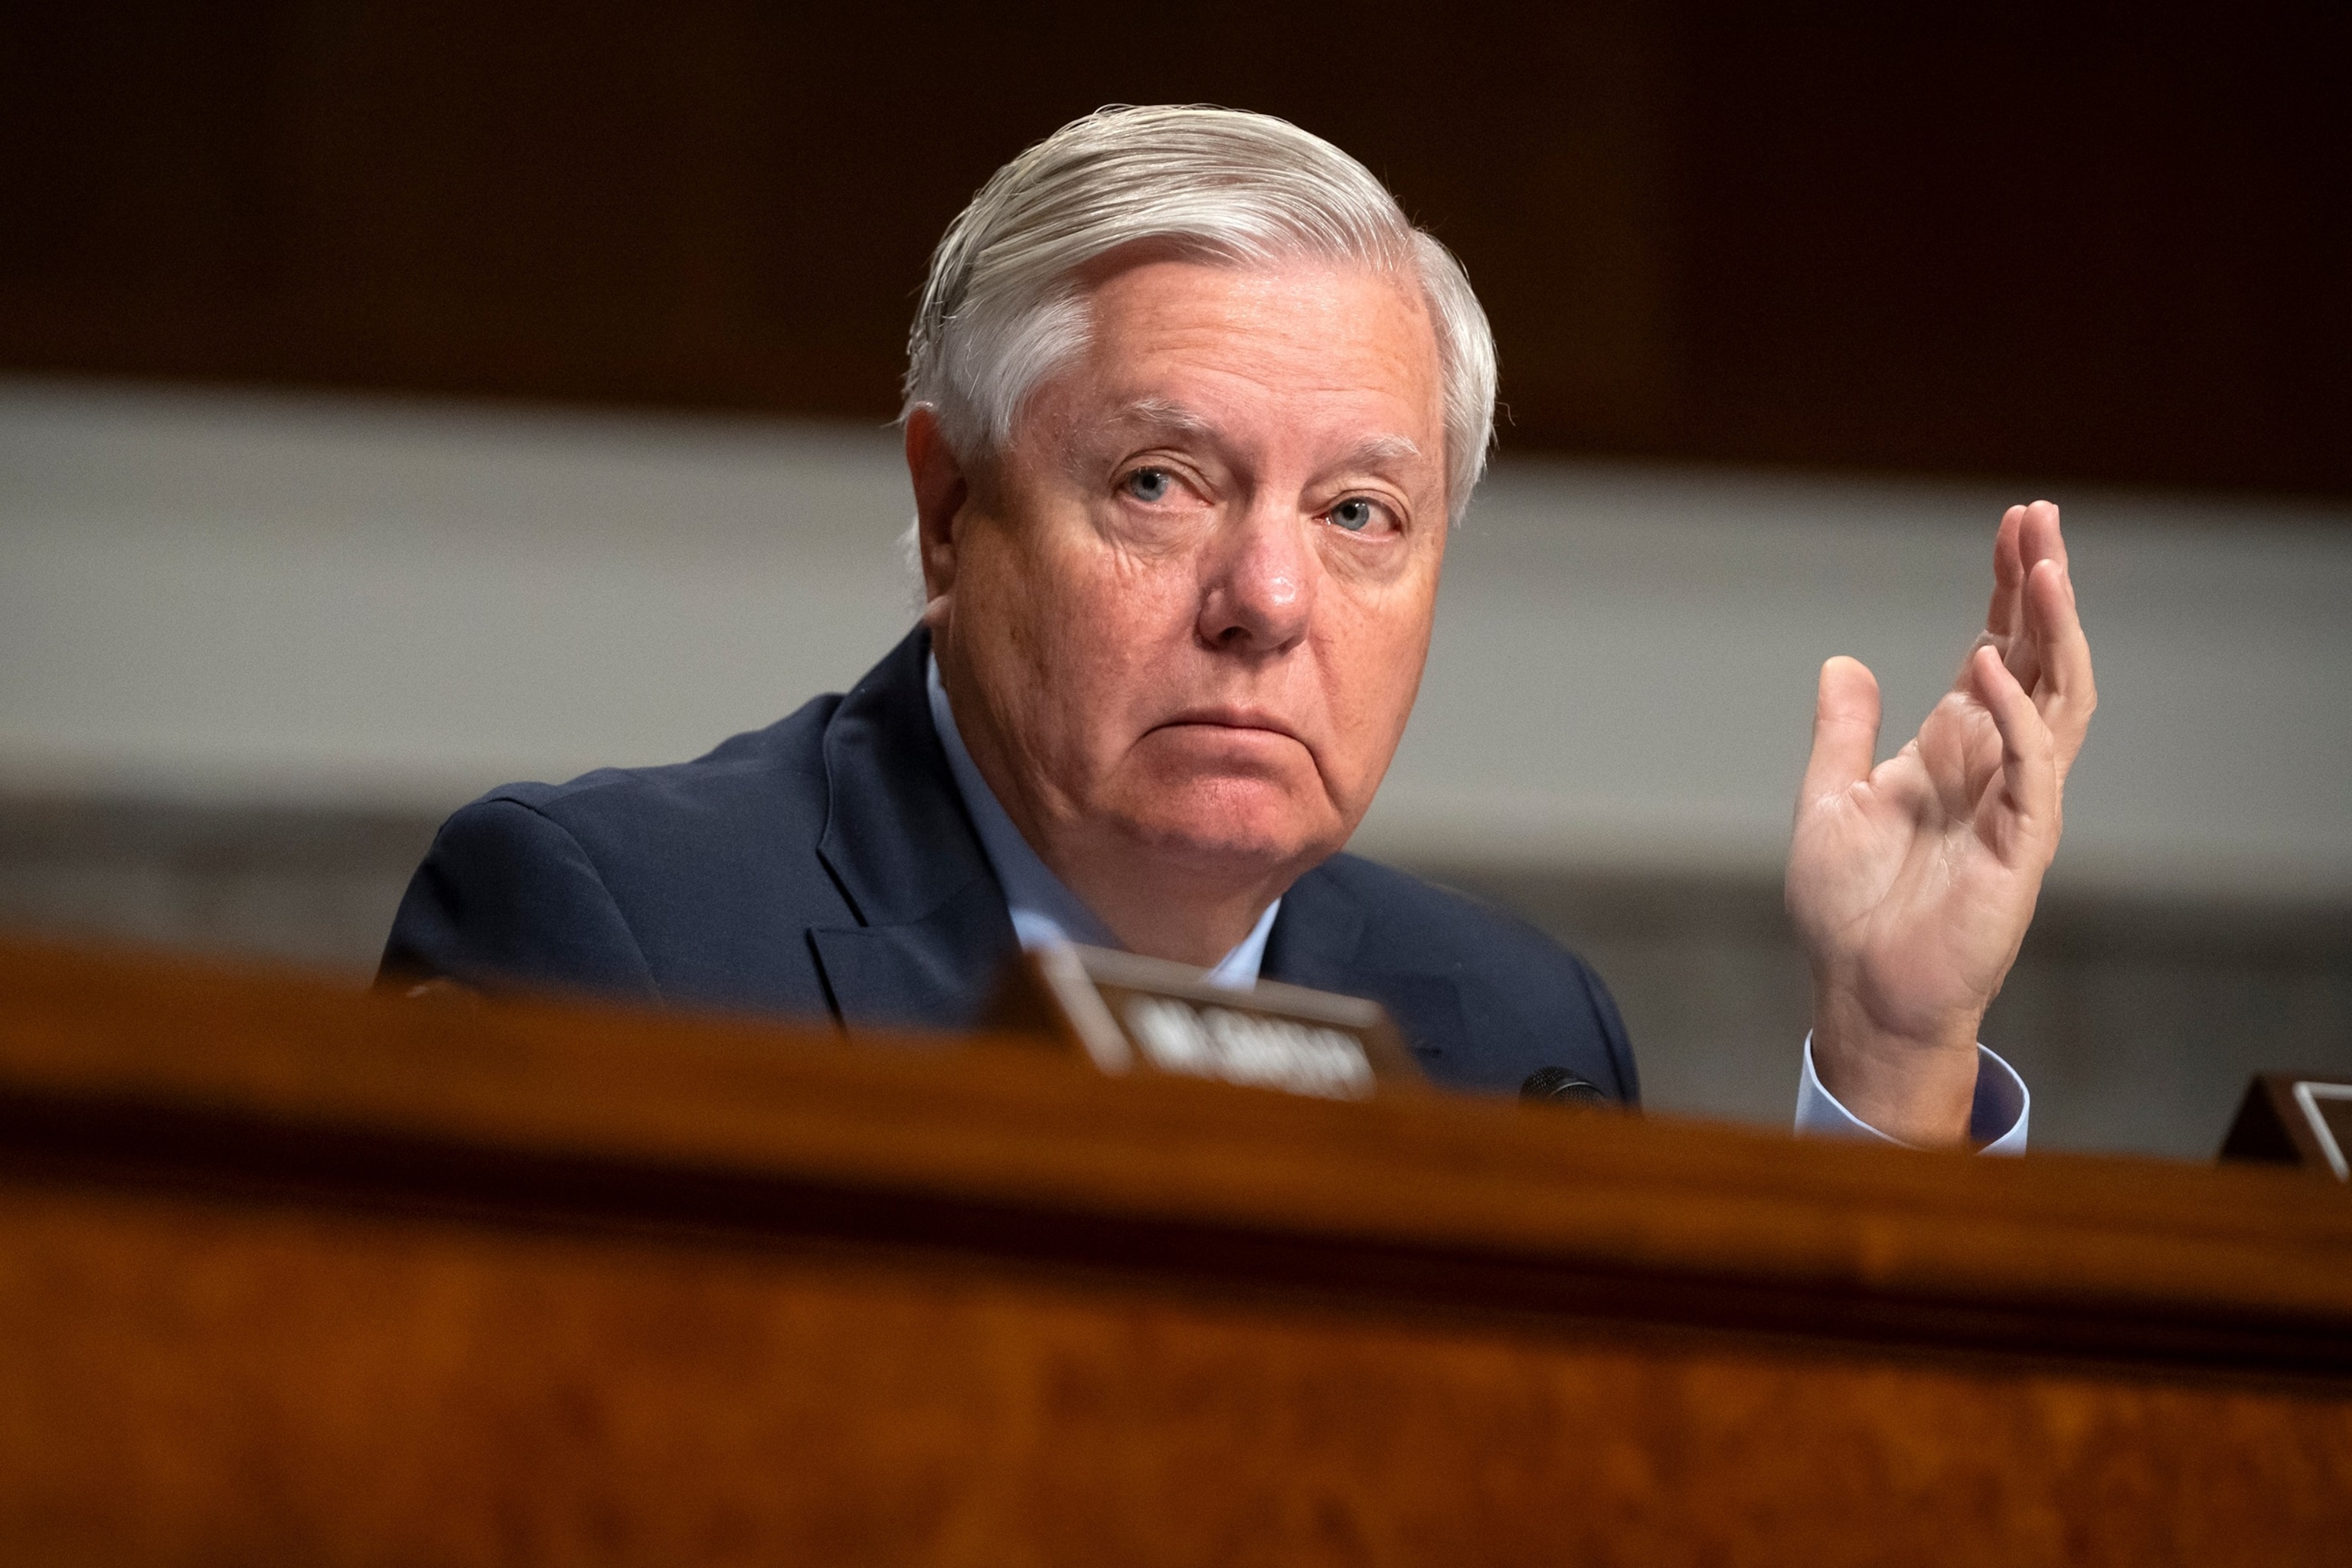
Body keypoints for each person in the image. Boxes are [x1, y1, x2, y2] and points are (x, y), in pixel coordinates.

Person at [382, 106, 2095, 1152]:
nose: (1267, 602)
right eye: (1159, 483)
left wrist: (1890, 1045)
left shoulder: (1514, 1038)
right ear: (948, 512)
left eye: (1361, 514)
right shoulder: (620, 941)